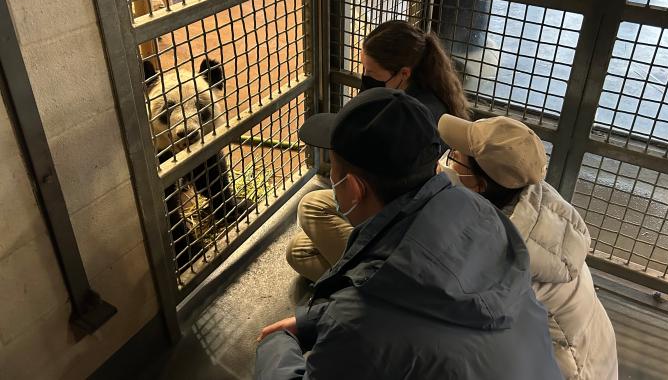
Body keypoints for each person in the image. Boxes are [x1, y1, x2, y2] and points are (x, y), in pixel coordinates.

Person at [255, 88, 563, 380]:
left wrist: (275, 344)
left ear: (352, 188)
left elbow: (375, 323)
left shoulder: (360, 317)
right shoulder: (481, 213)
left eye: (332, 171)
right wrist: (316, 321)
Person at [437, 114, 619, 380]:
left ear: (479, 185)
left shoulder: (503, 254)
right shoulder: (533, 199)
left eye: (456, 156)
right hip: (595, 349)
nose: (448, 158)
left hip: (567, 368)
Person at [286, 20, 469, 282]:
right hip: (407, 208)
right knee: (299, 246)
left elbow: (385, 191)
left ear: (403, 73)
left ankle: (371, 281)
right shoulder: (423, 96)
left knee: (307, 225)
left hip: (397, 217)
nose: (365, 77)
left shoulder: (412, 119)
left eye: (371, 72)